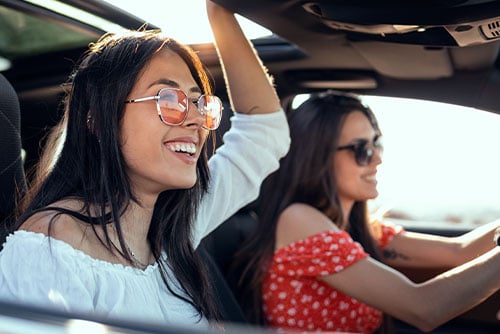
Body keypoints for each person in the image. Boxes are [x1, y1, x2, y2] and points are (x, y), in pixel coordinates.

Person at [0, 1, 289, 330]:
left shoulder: (173, 228)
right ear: (96, 116)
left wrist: (220, 14)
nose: (196, 119)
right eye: (168, 99)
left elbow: (266, 134)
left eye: (198, 102)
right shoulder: (48, 247)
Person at [232, 90, 500, 333]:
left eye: (376, 143)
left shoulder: (355, 229)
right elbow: (424, 308)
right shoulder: (298, 219)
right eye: (362, 149)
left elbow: (460, 252)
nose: (378, 158)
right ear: (318, 157)